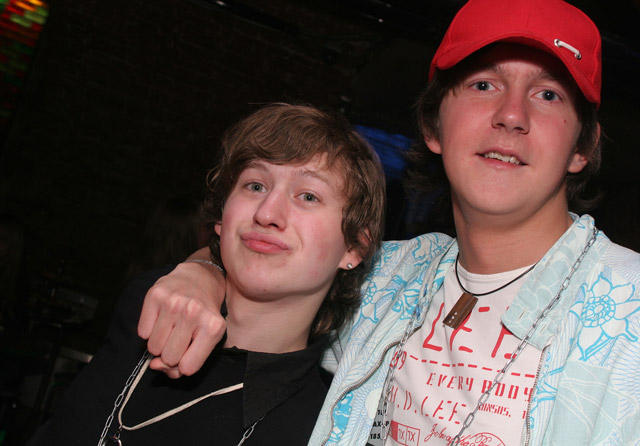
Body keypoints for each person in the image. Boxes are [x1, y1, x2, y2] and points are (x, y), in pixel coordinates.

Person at [136, 1, 640, 444]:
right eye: (483, 84)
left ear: (583, 145)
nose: (512, 115)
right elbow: (264, 252)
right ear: (432, 125)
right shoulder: (388, 278)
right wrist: (202, 274)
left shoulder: (629, 310)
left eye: (548, 94)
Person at [26, 103, 386, 446]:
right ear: (221, 218)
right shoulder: (147, 304)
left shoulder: (321, 429)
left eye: (308, 196)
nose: (267, 213)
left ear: (355, 246)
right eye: (255, 185)